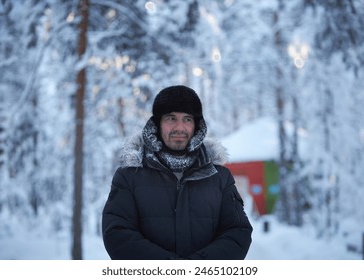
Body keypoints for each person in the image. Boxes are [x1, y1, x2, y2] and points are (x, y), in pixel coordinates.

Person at [102, 85, 253, 260]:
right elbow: (117, 234)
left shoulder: (219, 177)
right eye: (171, 118)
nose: (180, 127)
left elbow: (237, 233)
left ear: (197, 126)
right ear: (157, 124)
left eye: (187, 119)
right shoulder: (129, 176)